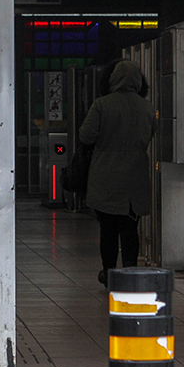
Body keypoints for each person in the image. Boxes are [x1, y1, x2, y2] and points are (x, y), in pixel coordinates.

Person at [77, 58, 157, 285]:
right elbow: (150, 134)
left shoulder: (102, 105)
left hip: (106, 177)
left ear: (112, 79)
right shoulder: (147, 108)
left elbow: (86, 136)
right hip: (135, 178)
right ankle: (130, 271)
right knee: (131, 228)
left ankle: (109, 272)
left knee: (108, 229)